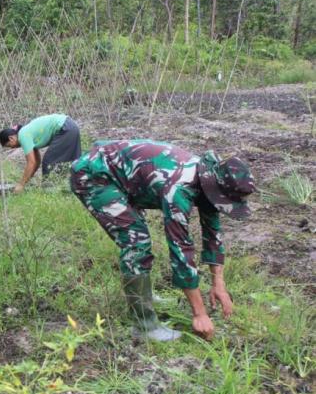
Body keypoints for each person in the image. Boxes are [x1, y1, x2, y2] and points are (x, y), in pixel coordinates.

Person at [70, 140, 255, 342]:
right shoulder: (180, 188)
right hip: (95, 175)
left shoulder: (207, 179)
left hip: (121, 175)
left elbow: (212, 233)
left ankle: (144, 298)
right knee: (136, 242)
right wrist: (199, 314)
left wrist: (218, 283)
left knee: (137, 236)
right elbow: (180, 249)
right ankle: (144, 326)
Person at [0, 113, 81, 193]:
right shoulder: (27, 134)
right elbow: (36, 162)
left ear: (11, 138)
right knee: (68, 162)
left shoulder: (22, 136)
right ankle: (70, 187)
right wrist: (26, 181)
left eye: (9, 145)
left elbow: (31, 163)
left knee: (49, 162)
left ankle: (49, 191)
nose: (12, 148)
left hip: (64, 128)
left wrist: (21, 185)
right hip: (70, 126)